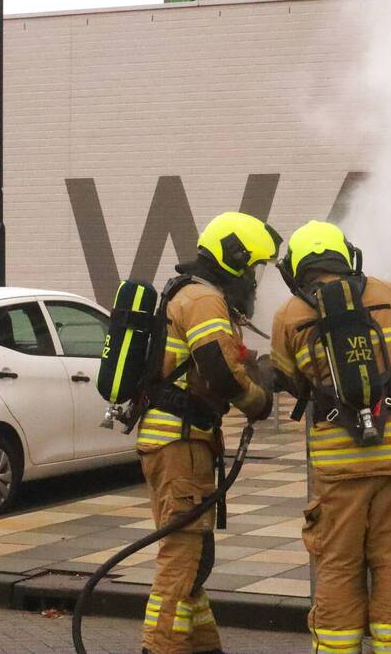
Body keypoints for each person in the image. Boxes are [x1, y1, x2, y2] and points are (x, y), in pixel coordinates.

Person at [270, 220, 391, 654]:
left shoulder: (288, 315)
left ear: (297, 267)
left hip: (338, 456)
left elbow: (287, 378)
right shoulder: (389, 293)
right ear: (347, 255)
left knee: (338, 563)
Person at [138, 212, 281, 654]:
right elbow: (220, 373)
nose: (254, 281)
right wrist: (259, 401)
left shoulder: (196, 295)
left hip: (185, 439)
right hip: (179, 442)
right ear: (233, 260)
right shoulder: (202, 300)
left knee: (195, 560)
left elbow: (224, 356)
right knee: (181, 561)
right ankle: (158, 648)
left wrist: (269, 369)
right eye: (253, 268)